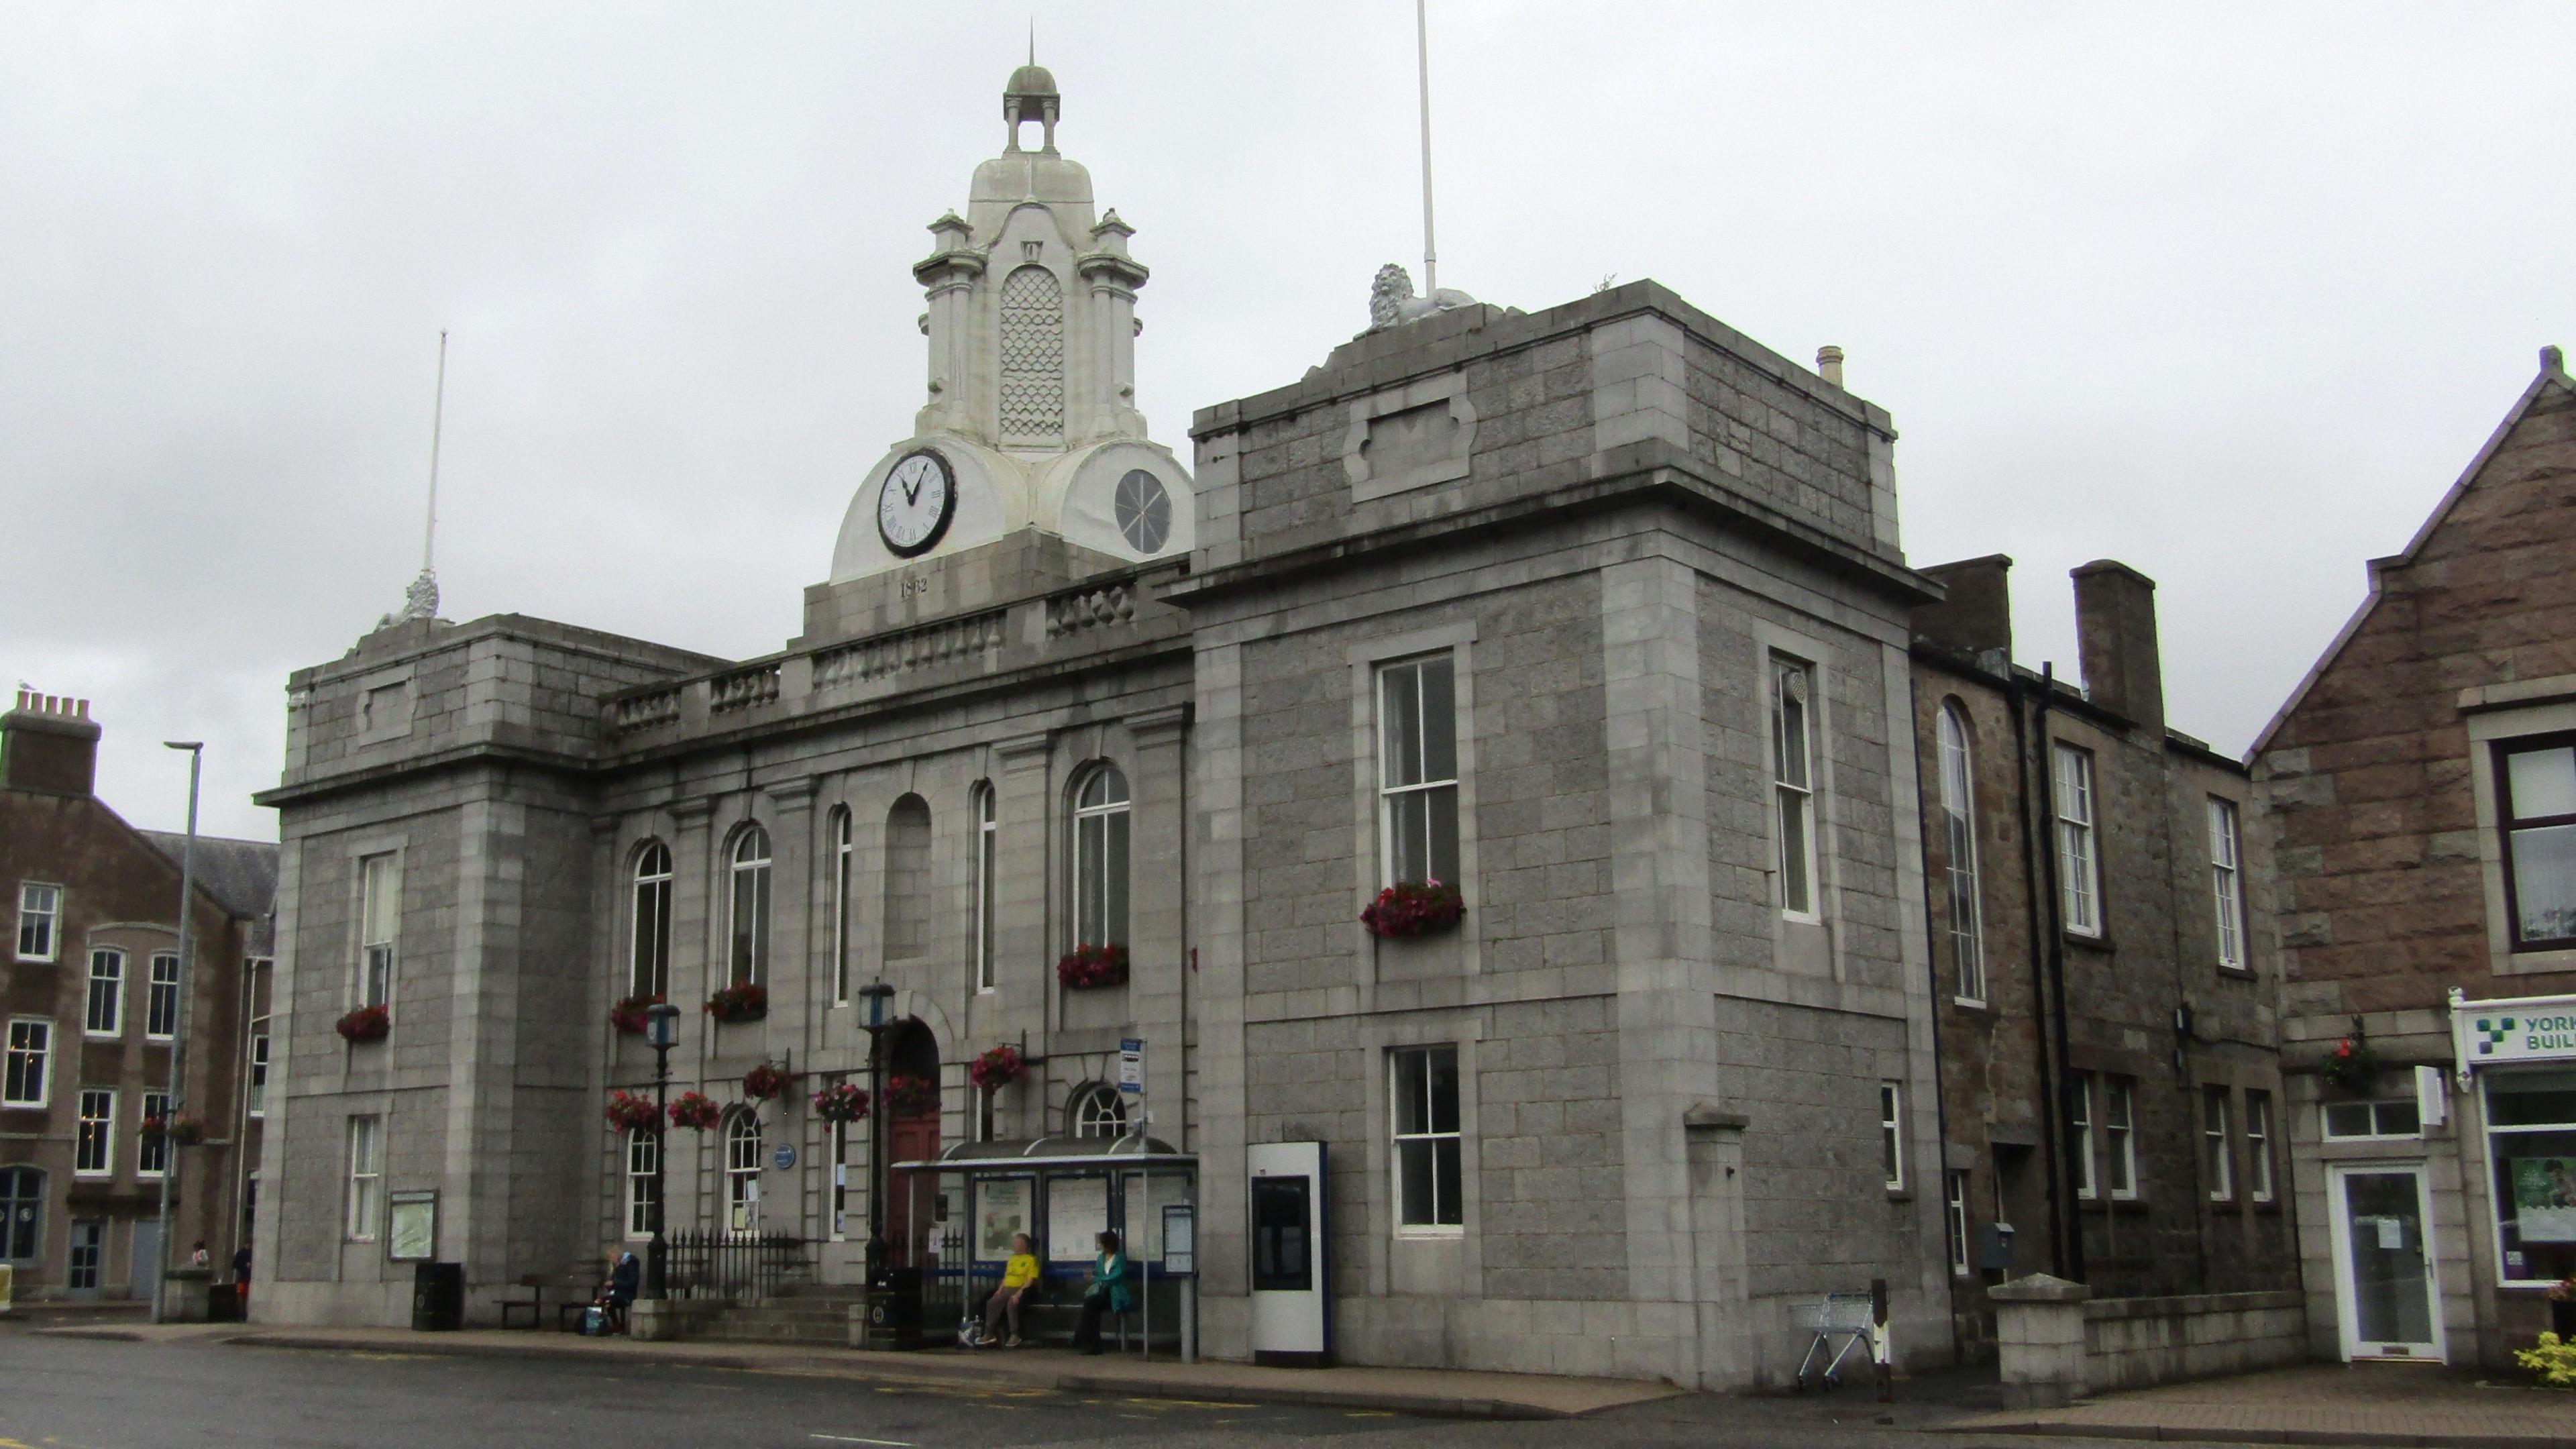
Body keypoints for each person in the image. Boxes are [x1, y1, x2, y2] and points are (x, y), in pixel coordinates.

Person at [1069, 1230, 1131, 1356]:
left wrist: (1097, 1279)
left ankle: (1083, 1337)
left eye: (1102, 1243)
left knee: (1091, 1304)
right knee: (1091, 1306)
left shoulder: (1120, 1258)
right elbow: (1098, 1274)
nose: (1101, 1246)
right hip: (1102, 1292)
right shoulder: (1101, 1257)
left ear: (1108, 1244)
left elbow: (1116, 1277)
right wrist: (1093, 1276)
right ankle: (1091, 1341)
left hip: (1115, 1294)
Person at [978, 1233, 1039, 1348]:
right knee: (992, 1302)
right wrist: (1000, 1290)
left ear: (1023, 1245)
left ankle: (1015, 1334)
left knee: (1012, 1303)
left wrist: (1019, 1293)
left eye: (1016, 1243)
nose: (1013, 1245)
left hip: (1021, 1289)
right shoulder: (1012, 1259)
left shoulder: (1031, 1260)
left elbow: (1030, 1280)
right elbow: (1007, 1276)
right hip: (1008, 1288)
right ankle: (989, 1332)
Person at [604, 1248, 641, 1333]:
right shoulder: (617, 1267)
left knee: (608, 1302)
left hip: (627, 1295)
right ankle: (615, 1325)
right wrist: (610, 1286)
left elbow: (632, 1283)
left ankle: (617, 1327)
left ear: (616, 1255)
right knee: (602, 1301)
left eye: (611, 1257)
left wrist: (615, 1283)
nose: (610, 1260)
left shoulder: (631, 1264)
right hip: (618, 1294)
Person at [231, 1243, 252, 1314]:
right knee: (243, 1295)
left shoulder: (240, 1252)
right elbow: (235, 1264)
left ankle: (242, 1313)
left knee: (241, 1295)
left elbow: (234, 1264)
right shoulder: (248, 1252)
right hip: (246, 1278)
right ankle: (243, 1313)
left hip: (243, 1277)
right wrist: (245, 1265)